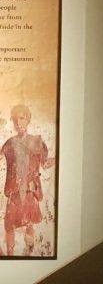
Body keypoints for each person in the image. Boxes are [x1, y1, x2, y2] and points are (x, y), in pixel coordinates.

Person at [2, 105, 53, 256]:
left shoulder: (37, 141)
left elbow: (45, 164)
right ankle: (10, 255)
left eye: (22, 118)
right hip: (14, 191)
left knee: (29, 223)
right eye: (15, 119)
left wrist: (60, 157)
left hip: (31, 191)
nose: (18, 122)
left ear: (28, 119)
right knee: (9, 225)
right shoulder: (10, 143)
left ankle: (29, 252)